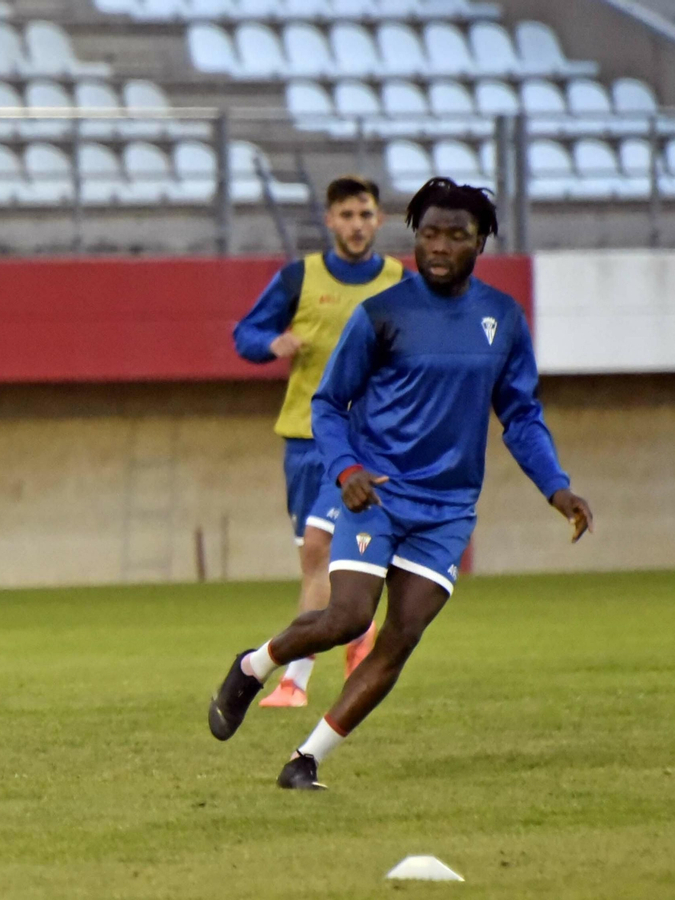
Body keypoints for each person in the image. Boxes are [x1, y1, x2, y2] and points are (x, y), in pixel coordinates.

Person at [208, 178, 593, 791]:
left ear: (481, 242)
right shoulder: (382, 312)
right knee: (347, 618)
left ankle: (305, 761)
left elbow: (520, 415)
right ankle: (253, 666)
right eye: (429, 234)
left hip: (447, 511)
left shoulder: (503, 318)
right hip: (376, 491)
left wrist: (557, 486)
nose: (439, 246)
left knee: (401, 638)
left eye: (455, 236)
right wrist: (347, 471)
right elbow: (329, 405)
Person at [232, 176, 406, 708]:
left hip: (367, 444)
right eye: (347, 215)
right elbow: (245, 334)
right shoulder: (299, 278)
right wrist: (272, 342)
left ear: (379, 220)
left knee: (322, 550)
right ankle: (356, 633)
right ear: (330, 221)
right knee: (314, 564)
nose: (357, 225)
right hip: (306, 442)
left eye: (365, 215)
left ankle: (294, 682)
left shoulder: (401, 281)